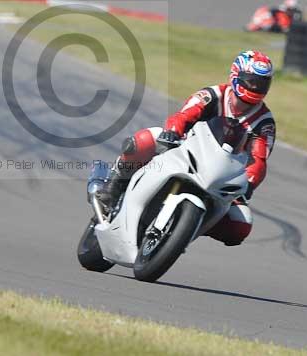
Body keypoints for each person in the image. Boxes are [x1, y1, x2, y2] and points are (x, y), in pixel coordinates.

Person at [102, 50, 276, 247]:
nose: (255, 87)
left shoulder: (264, 122)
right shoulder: (212, 95)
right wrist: (173, 132)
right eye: (251, 81)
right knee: (145, 139)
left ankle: (189, 226)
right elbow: (184, 115)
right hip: (186, 150)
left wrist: (248, 184)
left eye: (262, 83)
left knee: (241, 225)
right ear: (236, 76)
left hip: (222, 175)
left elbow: (258, 159)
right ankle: (114, 183)